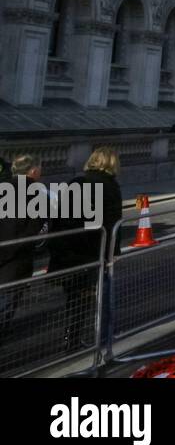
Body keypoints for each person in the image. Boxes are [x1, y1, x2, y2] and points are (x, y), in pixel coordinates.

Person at [47, 147, 122, 350]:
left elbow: (60, 218)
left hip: (71, 251)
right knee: (96, 298)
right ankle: (102, 341)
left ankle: (71, 338)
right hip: (93, 252)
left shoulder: (77, 182)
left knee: (74, 298)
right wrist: (112, 253)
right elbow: (112, 223)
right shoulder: (110, 186)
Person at [0, 155, 48, 335]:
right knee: (6, 303)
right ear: (33, 171)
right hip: (16, 259)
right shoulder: (37, 193)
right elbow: (37, 228)